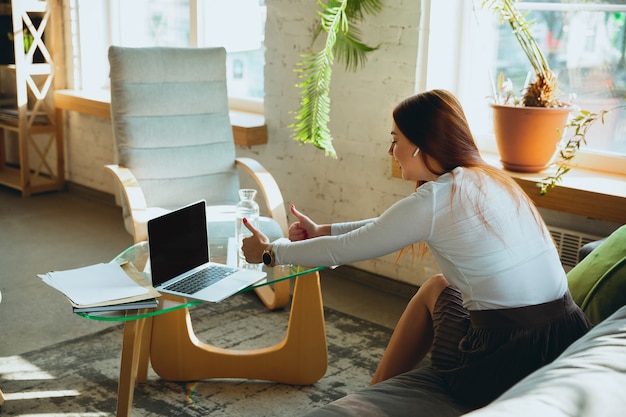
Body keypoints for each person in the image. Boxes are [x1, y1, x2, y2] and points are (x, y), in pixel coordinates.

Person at [241, 89, 592, 409]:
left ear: (420, 145)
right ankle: (373, 393)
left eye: (395, 140)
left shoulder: (438, 199)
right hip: (565, 338)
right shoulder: (488, 179)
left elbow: (344, 250)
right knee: (439, 285)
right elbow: (382, 228)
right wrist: (322, 231)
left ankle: (371, 395)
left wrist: (271, 252)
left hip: (507, 360)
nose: (391, 151)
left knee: (434, 288)